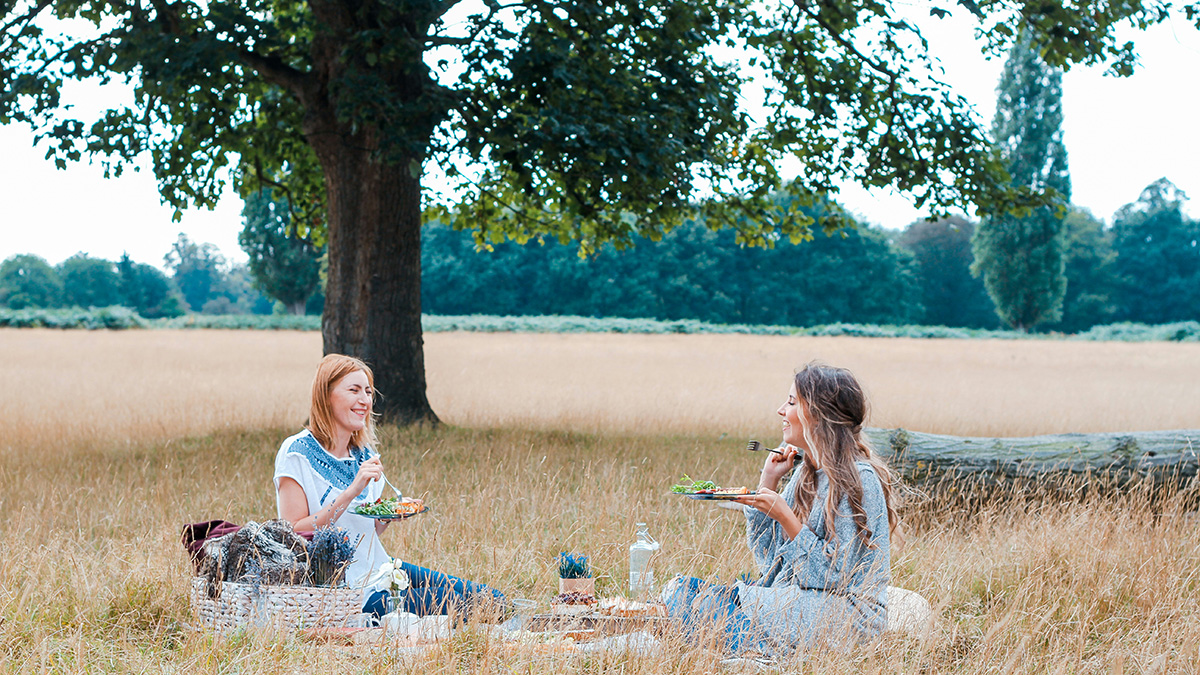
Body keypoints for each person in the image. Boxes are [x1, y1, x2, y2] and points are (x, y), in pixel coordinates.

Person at [663, 362, 900, 654]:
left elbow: (833, 578)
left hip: (845, 614)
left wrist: (786, 518)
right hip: (801, 600)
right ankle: (744, 645)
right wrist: (769, 480)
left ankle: (755, 652)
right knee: (683, 589)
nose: (780, 410)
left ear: (816, 415)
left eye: (790, 402)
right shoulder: (806, 473)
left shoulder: (860, 480)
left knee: (707, 605)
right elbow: (768, 560)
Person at [274, 353, 508, 620]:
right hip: (348, 592)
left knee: (493, 600)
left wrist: (386, 516)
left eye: (368, 392)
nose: (365, 400)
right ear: (325, 396)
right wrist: (351, 491)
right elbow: (293, 534)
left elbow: (363, 532)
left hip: (382, 570)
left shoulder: (363, 454)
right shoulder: (296, 452)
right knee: (467, 606)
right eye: (354, 390)